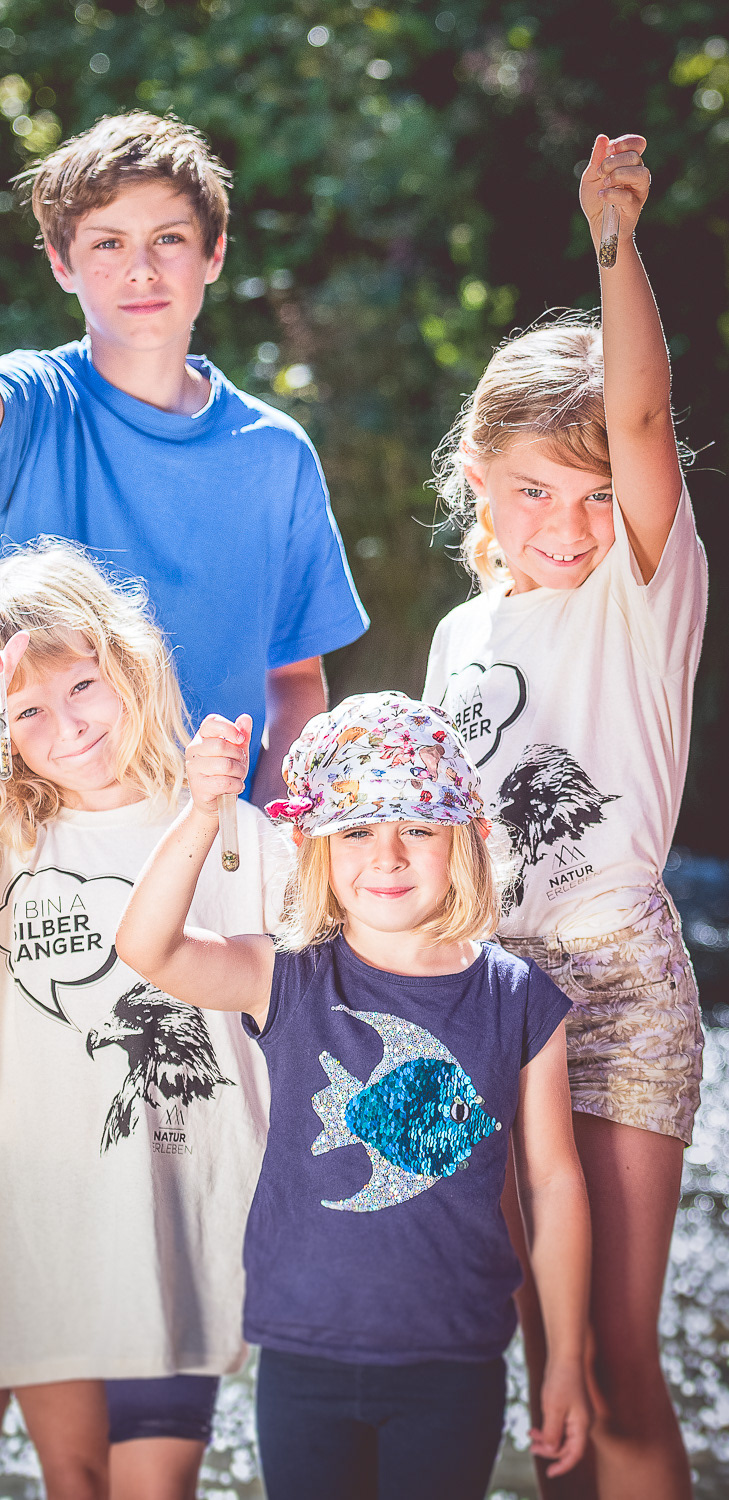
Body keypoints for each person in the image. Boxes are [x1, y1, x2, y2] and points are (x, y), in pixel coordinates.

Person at [0, 541, 292, 1500]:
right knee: (76, 1475)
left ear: (127, 665)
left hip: (181, 1208)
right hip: (37, 1214)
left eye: (83, 686)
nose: (67, 725)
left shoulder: (224, 828)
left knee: (154, 1482)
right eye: (26, 711)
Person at [423, 134, 708, 1500]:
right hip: (492, 1006)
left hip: (618, 990)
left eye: (594, 496)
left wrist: (613, 242)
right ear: (476, 475)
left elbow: (641, 420)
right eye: (535, 488)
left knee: (617, 1356)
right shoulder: (457, 637)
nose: (569, 524)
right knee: (545, 1362)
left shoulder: (642, 593)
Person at [116, 691, 592, 1500]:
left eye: (417, 828)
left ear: (464, 840)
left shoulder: (518, 997)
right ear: (317, 850)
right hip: (302, 1355)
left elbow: (552, 1184)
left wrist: (567, 1362)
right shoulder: (285, 975)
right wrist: (203, 811)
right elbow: (147, 947)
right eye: (357, 831)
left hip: (456, 1363)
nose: (387, 856)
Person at [0, 110, 368, 806]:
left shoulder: (276, 454)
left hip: (214, 834)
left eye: (168, 238)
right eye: (108, 243)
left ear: (214, 254)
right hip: (45, 830)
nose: (141, 269)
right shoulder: (36, 400)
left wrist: (267, 827)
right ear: (62, 264)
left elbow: (294, 680)